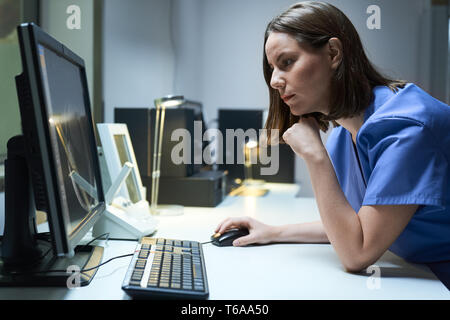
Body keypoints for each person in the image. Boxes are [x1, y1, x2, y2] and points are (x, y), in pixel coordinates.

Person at [215, 1, 450, 277]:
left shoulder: (405, 129)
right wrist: (272, 232)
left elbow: (357, 253)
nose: (275, 81)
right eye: (272, 68)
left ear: (333, 53)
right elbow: (352, 226)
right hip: (423, 274)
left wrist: (315, 156)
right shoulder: (342, 134)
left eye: (287, 62)